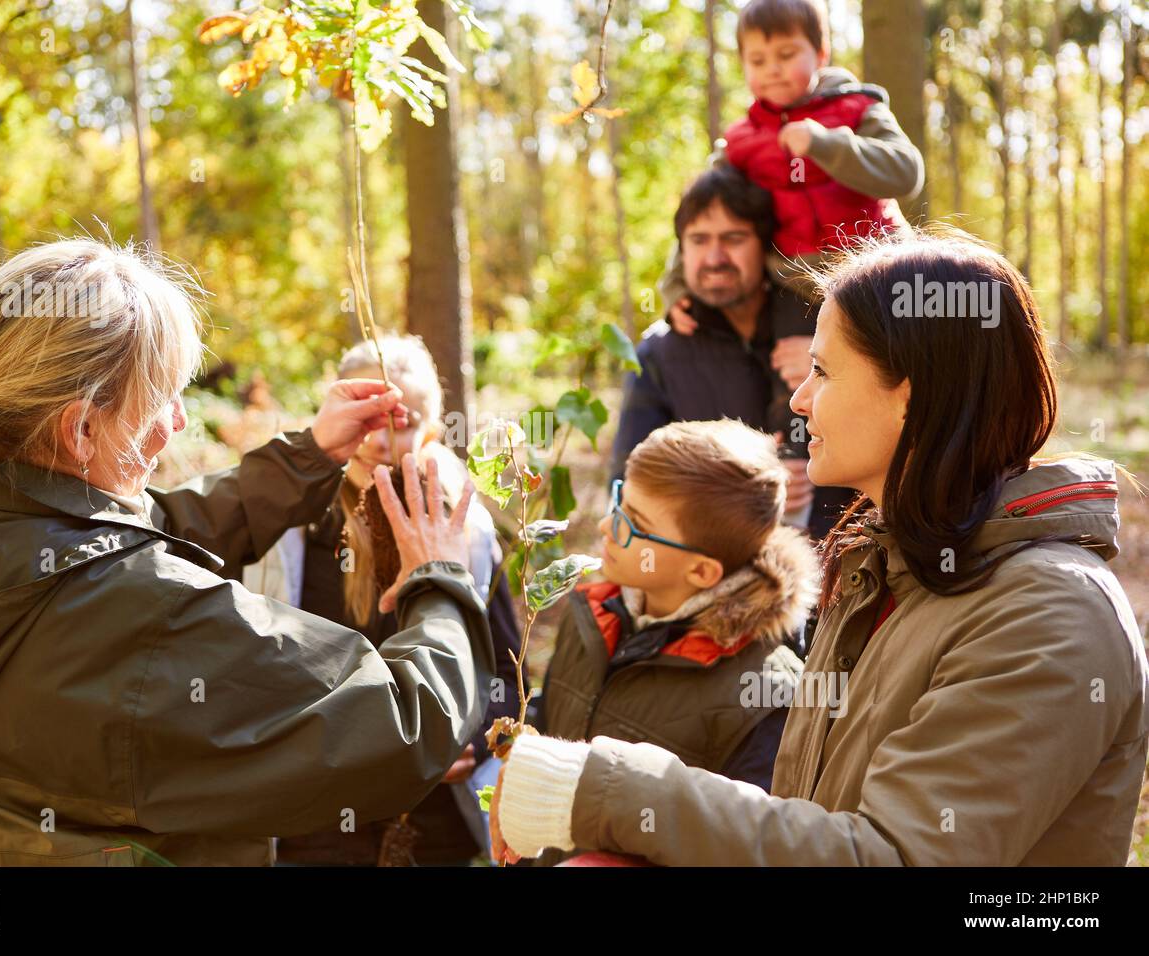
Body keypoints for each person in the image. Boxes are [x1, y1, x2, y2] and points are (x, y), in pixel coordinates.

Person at [491, 232, 1149, 866]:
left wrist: (604, 789)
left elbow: (897, 855)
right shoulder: (888, 570)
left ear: (909, 395)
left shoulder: (1048, 614)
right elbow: (810, 819)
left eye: (824, 371)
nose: (800, 400)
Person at [0, 239, 495, 866]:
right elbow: (403, 725)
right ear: (81, 429)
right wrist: (439, 578)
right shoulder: (149, 615)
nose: (181, 421)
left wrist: (307, 456)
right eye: (162, 399)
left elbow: (136, 533)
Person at [242, 335, 523, 865]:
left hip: (430, 819)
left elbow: (508, 674)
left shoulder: (467, 531)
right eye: (367, 419)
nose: (381, 440)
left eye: (404, 420)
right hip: (318, 814)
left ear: (434, 431)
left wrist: (476, 743)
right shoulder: (291, 529)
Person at [530, 420, 817, 864]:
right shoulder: (593, 612)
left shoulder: (766, 697)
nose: (607, 526)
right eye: (618, 501)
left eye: (632, 524)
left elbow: (742, 845)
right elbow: (554, 715)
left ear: (701, 572)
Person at [612, 163, 852, 541]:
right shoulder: (657, 354)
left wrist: (832, 367)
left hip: (846, 573)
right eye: (699, 240)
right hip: (715, 582)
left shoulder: (833, 331)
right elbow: (631, 490)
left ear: (766, 247)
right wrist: (747, 491)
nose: (714, 258)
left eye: (733, 238)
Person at [661, 0, 924, 325]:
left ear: (821, 53)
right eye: (757, 60)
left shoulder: (858, 109)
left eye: (786, 55)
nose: (772, 69)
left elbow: (907, 174)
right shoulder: (740, 144)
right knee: (796, 368)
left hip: (881, 271)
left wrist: (825, 144)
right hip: (794, 287)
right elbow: (698, 216)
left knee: (900, 362)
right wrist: (675, 286)